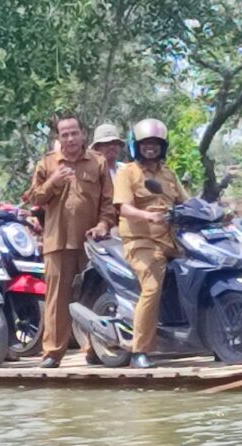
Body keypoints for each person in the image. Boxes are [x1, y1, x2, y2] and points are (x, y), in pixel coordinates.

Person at [27, 114, 117, 369]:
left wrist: (103, 224)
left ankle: (94, 348)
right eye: (64, 134)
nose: (70, 138)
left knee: (92, 295)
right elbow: (34, 198)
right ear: (59, 138)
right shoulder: (47, 164)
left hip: (91, 242)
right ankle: (52, 353)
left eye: (74, 133)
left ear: (83, 135)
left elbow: (109, 202)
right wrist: (53, 182)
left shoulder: (97, 163)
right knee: (57, 299)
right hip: (57, 242)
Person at [114, 118, 189, 369]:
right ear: (137, 146)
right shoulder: (128, 173)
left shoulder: (168, 173)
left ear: (162, 147)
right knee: (152, 287)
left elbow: (185, 202)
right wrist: (147, 215)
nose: (151, 148)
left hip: (171, 240)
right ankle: (139, 351)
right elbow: (123, 207)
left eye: (155, 144)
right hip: (142, 242)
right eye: (146, 144)